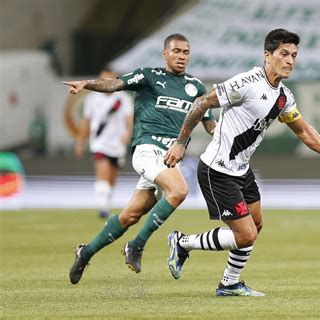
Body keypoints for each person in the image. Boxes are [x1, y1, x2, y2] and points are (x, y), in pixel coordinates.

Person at [164, 29, 320, 297]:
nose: (290, 60)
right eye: (284, 54)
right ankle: (183, 242)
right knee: (246, 235)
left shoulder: (283, 96)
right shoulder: (246, 82)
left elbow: (303, 130)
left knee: (256, 225)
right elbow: (202, 103)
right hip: (217, 170)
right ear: (267, 56)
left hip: (241, 171)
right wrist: (180, 143)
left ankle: (229, 283)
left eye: (294, 55)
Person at [63, 33, 216, 284]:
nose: (181, 56)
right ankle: (136, 245)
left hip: (169, 160)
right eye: (176, 51)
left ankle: (85, 252)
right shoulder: (148, 76)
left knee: (131, 215)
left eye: (186, 52)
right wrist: (86, 84)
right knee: (178, 191)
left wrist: (232, 134)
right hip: (147, 150)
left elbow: (210, 125)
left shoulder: (196, 87)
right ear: (165, 53)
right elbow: (113, 85)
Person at [75, 70, 134, 219]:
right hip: (99, 143)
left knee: (111, 178)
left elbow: (129, 120)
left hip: (117, 144)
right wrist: (80, 142)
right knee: (102, 173)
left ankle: (106, 203)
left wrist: (127, 133)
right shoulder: (92, 99)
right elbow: (86, 122)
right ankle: (103, 207)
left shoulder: (123, 99)